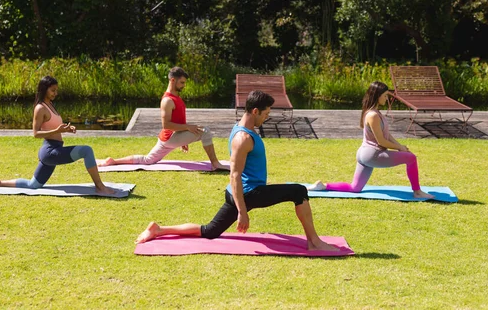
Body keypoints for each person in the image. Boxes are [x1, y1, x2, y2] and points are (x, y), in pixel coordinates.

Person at [135, 90, 339, 251]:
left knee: (210, 231)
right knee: (298, 191)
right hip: (247, 193)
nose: (266, 119)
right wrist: (242, 212)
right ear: (255, 111)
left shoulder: (240, 127)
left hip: (237, 193)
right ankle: (314, 241)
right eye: (266, 114)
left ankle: (158, 229)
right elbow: (234, 174)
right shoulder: (243, 138)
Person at [0, 76, 116, 195]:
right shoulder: (40, 108)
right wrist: (57, 131)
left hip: (54, 150)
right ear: (44, 89)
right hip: (51, 151)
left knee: (33, 185)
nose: (55, 93)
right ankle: (100, 187)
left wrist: (66, 129)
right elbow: (36, 133)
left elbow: (55, 127)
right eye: (53, 90)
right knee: (86, 150)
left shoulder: (50, 105)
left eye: (56, 90)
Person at [309, 81, 434, 199]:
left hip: (364, 154)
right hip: (372, 155)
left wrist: (400, 146)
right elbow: (381, 141)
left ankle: (323, 185)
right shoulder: (373, 115)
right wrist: (399, 148)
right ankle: (417, 192)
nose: (387, 99)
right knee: (411, 158)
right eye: (385, 96)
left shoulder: (374, 112)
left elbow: (387, 135)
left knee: (355, 188)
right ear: (378, 96)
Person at [98, 66, 228, 170]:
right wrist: (187, 128)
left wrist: (184, 139)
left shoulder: (176, 97)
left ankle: (113, 161)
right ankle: (215, 163)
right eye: (182, 82)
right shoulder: (167, 100)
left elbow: (178, 119)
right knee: (206, 131)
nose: (184, 85)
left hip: (168, 138)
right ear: (173, 80)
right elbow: (166, 125)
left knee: (147, 160)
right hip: (170, 137)